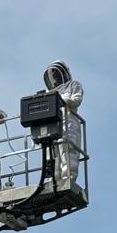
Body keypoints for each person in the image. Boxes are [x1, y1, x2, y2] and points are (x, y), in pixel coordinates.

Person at [43, 62, 84, 190]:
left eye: (56, 74)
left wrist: (63, 100)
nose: (54, 78)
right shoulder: (48, 92)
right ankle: (52, 181)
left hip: (69, 123)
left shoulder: (73, 85)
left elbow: (76, 100)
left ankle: (68, 180)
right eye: (52, 75)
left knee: (67, 152)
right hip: (52, 125)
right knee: (52, 154)